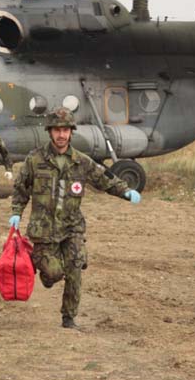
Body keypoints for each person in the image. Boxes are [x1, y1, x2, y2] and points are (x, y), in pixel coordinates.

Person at [9, 107, 141, 329]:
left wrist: (126, 191)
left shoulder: (81, 161)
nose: (61, 135)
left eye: (65, 130)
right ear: (50, 132)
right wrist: (16, 212)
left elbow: (104, 179)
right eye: (57, 130)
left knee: (75, 268)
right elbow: (21, 189)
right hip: (44, 229)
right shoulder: (35, 159)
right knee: (53, 273)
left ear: (71, 132)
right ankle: (42, 267)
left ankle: (68, 318)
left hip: (72, 227)